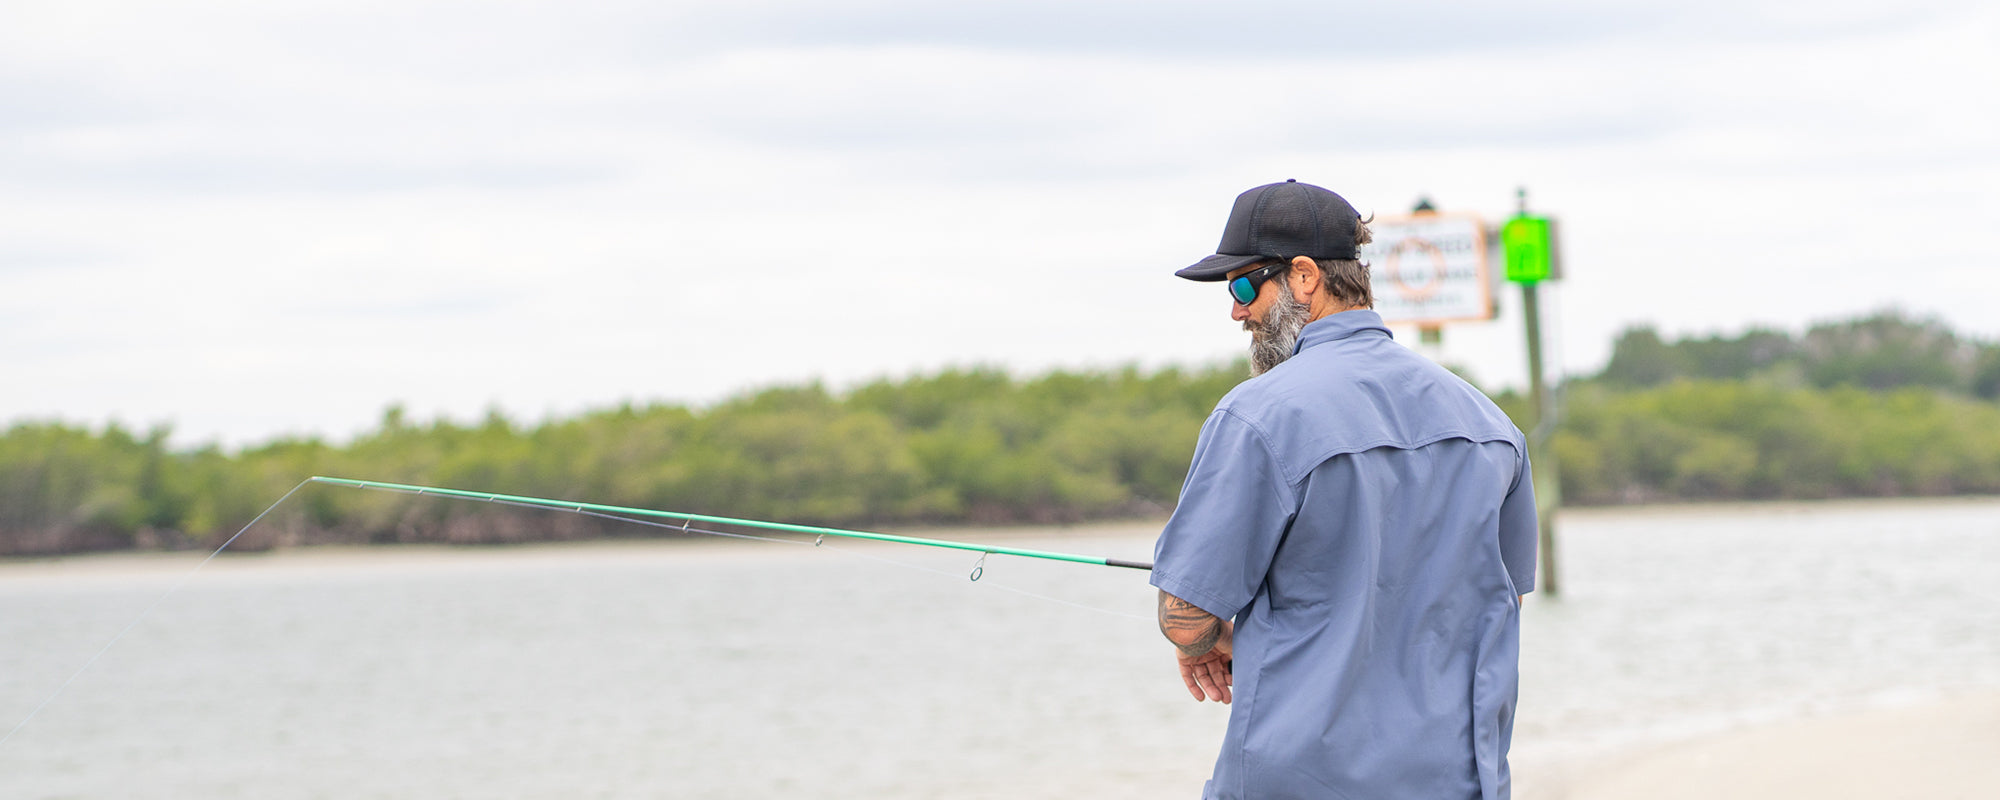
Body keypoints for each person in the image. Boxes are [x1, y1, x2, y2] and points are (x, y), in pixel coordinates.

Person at [1152, 179, 1539, 800]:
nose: (1236, 310)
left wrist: (1207, 642)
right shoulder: (1493, 427)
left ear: (1304, 277)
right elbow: (1505, 601)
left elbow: (1187, 610)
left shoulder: (1255, 417)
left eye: (1244, 284)